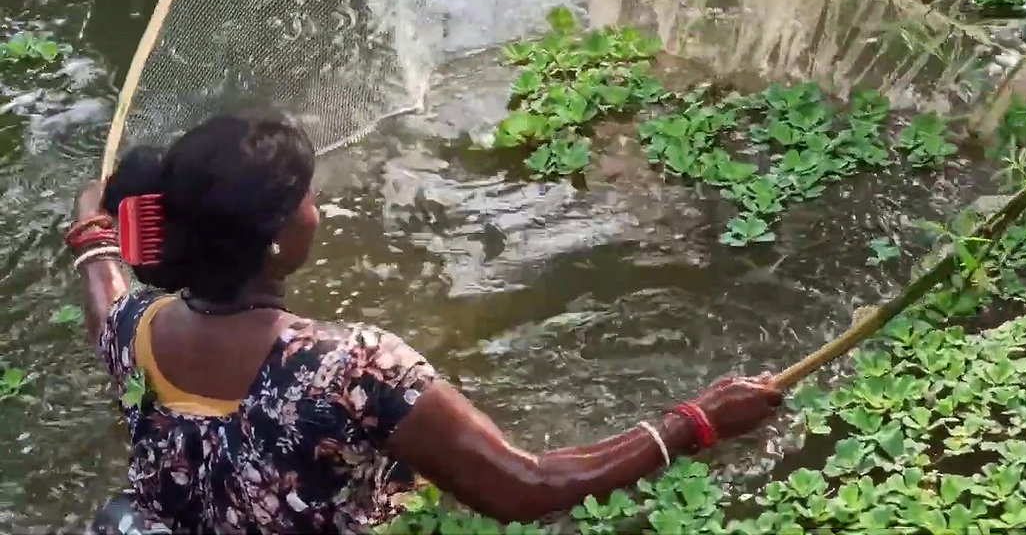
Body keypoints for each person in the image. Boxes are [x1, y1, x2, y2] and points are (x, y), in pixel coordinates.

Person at [66, 109, 783, 533]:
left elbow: (102, 275)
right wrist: (698, 419)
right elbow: (524, 488)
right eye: (307, 199)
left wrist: (94, 227)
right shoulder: (351, 370)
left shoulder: (136, 331)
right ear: (276, 238)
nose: (318, 208)